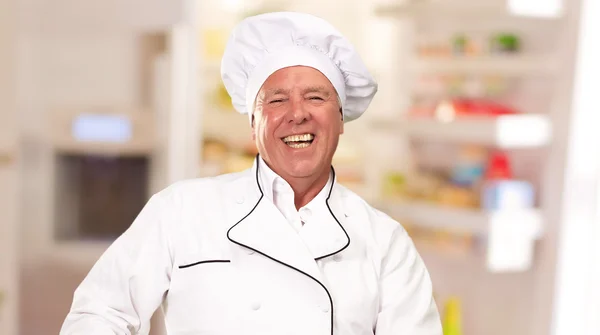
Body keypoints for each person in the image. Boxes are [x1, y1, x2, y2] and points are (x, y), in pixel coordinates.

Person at [60, 11, 442, 335]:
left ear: (340, 117)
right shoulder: (182, 210)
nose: (297, 113)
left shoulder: (384, 241)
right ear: (253, 121)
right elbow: (98, 313)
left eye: (315, 96)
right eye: (276, 100)